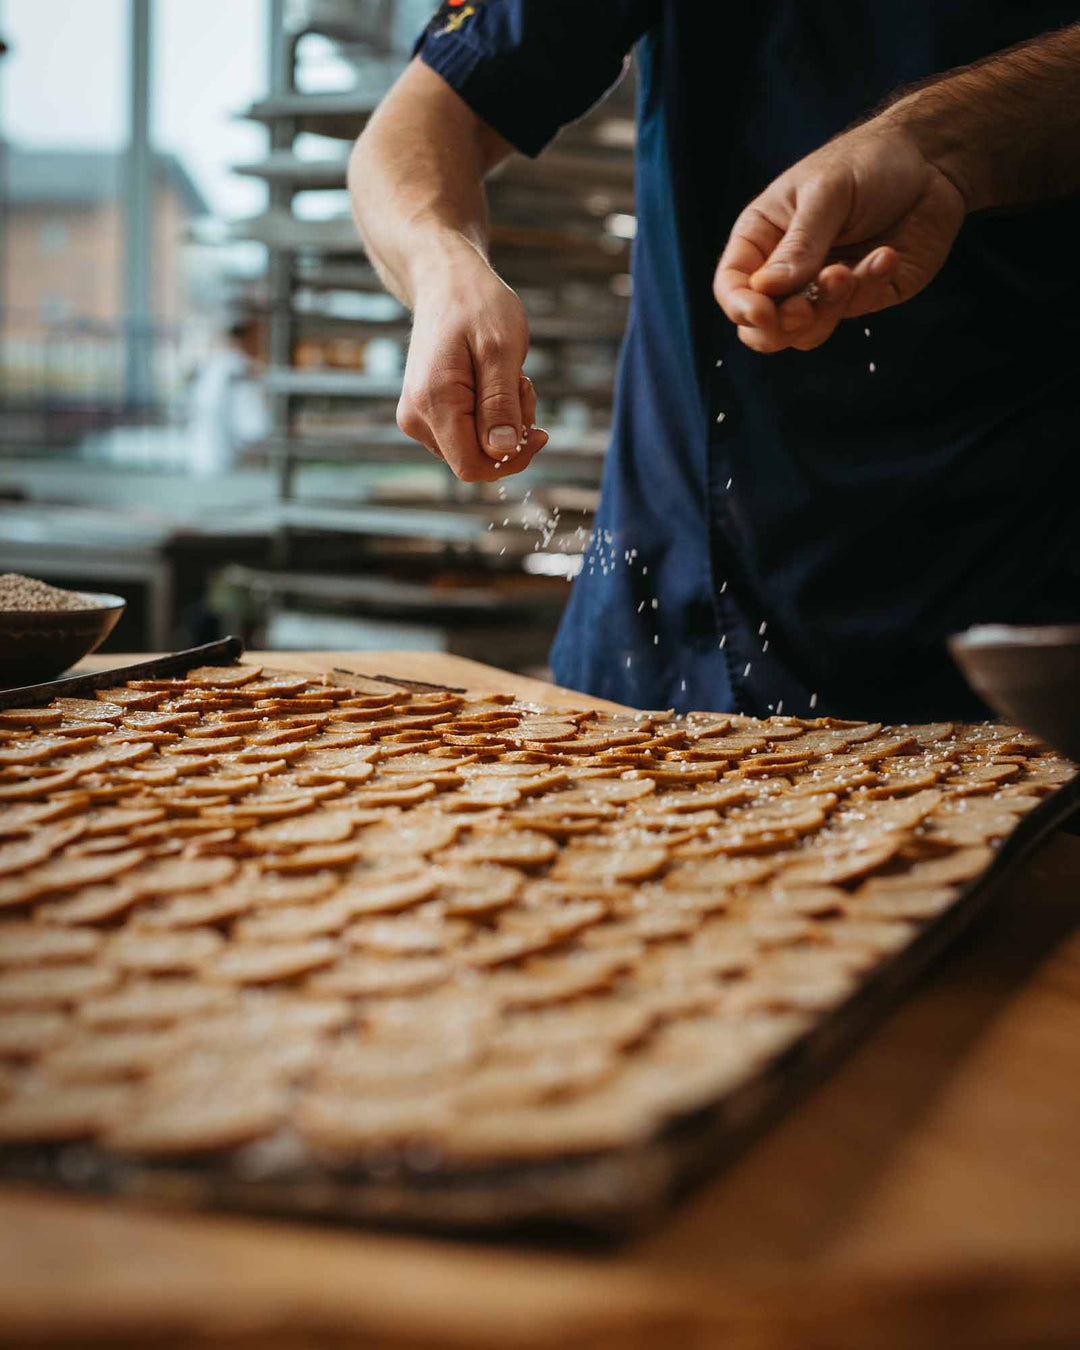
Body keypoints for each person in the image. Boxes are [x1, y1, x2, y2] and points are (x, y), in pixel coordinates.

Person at [349, 3, 1080, 721]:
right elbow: (422, 118)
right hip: (667, 625)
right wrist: (440, 262)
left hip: (1028, 637)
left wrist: (940, 141)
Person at [187, 319, 270, 479]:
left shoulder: (223, 358)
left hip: (214, 407)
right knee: (214, 442)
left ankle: (214, 465)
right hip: (215, 407)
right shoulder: (228, 358)